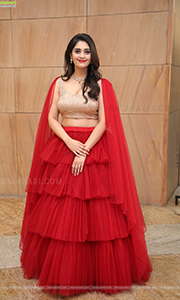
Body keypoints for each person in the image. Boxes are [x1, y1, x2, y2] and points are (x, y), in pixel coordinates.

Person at [19, 33, 152, 296]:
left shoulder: (102, 84)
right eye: (77, 51)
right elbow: (51, 118)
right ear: (70, 55)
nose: (82, 55)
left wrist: (84, 151)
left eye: (87, 51)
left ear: (92, 56)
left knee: (99, 211)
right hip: (63, 146)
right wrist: (69, 143)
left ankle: (96, 271)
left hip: (93, 148)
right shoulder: (58, 83)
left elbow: (104, 122)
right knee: (63, 211)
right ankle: (66, 271)